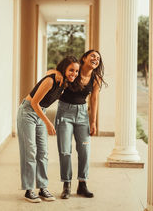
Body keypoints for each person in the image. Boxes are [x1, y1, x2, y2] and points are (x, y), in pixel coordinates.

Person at [17, 56, 79, 203]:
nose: (74, 74)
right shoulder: (51, 80)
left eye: (76, 71)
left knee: (43, 152)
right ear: (64, 69)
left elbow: (49, 71)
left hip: (40, 113)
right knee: (30, 151)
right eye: (71, 70)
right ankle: (29, 190)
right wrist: (48, 123)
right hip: (28, 112)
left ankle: (43, 187)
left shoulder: (63, 82)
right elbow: (34, 103)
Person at [54, 50, 107, 199]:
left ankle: (82, 184)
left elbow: (94, 100)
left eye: (98, 58)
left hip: (82, 115)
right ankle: (67, 184)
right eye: (92, 56)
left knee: (84, 150)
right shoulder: (73, 71)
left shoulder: (96, 78)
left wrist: (93, 121)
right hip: (65, 113)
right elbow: (55, 72)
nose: (95, 59)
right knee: (65, 151)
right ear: (84, 58)